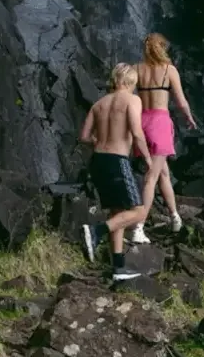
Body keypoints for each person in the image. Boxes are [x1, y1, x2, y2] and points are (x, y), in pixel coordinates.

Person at [80, 62, 151, 280]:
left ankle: (118, 268)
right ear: (130, 82)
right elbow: (137, 132)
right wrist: (147, 158)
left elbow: (83, 137)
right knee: (139, 212)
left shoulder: (99, 104)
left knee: (117, 213)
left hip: (98, 160)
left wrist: (100, 142)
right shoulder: (133, 100)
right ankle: (96, 232)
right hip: (117, 160)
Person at [130, 32, 196, 244]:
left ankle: (175, 217)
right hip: (159, 123)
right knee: (151, 177)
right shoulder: (170, 70)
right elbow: (181, 102)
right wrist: (189, 118)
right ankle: (138, 227)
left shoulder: (136, 69)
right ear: (162, 48)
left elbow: (126, 96)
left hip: (142, 122)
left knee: (163, 173)